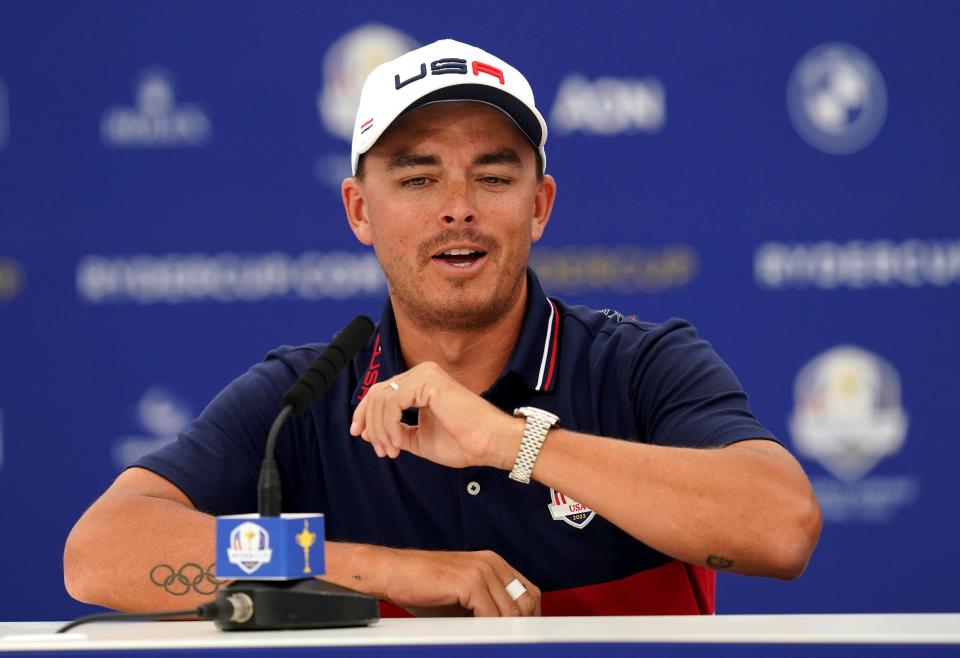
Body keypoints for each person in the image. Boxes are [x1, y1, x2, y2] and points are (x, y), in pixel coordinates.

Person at [64, 39, 821, 617]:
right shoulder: (301, 399)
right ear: (360, 209)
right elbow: (102, 553)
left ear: (540, 205)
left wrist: (512, 442)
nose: (457, 206)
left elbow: (781, 528)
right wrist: (389, 569)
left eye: (493, 177)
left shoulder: (641, 365)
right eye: (419, 178)